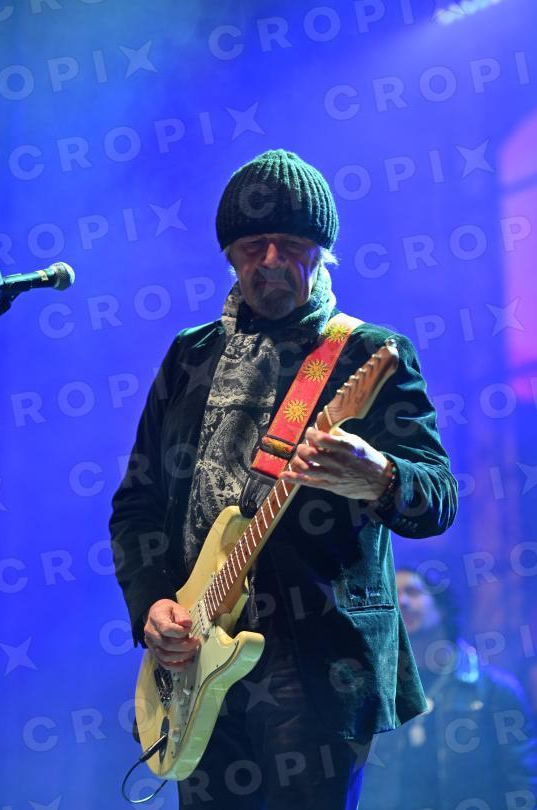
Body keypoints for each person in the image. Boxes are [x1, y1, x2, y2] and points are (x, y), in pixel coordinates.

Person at [109, 149, 458, 808]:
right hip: (198, 652)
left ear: (322, 252)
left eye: (291, 244)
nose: (269, 260)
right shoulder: (189, 356)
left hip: (317, 664)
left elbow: (438, 497)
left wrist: (381, 477)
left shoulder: (365, 354)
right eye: (251, 246)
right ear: (228, 256)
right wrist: (152, 603)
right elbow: (137, 505)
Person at [359, 567, 537, 810]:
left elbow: (523, 779)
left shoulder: (494, 689)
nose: (402, 602)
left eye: (412, 592)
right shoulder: (378, 690)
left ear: (442, 606)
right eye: (394, 594)